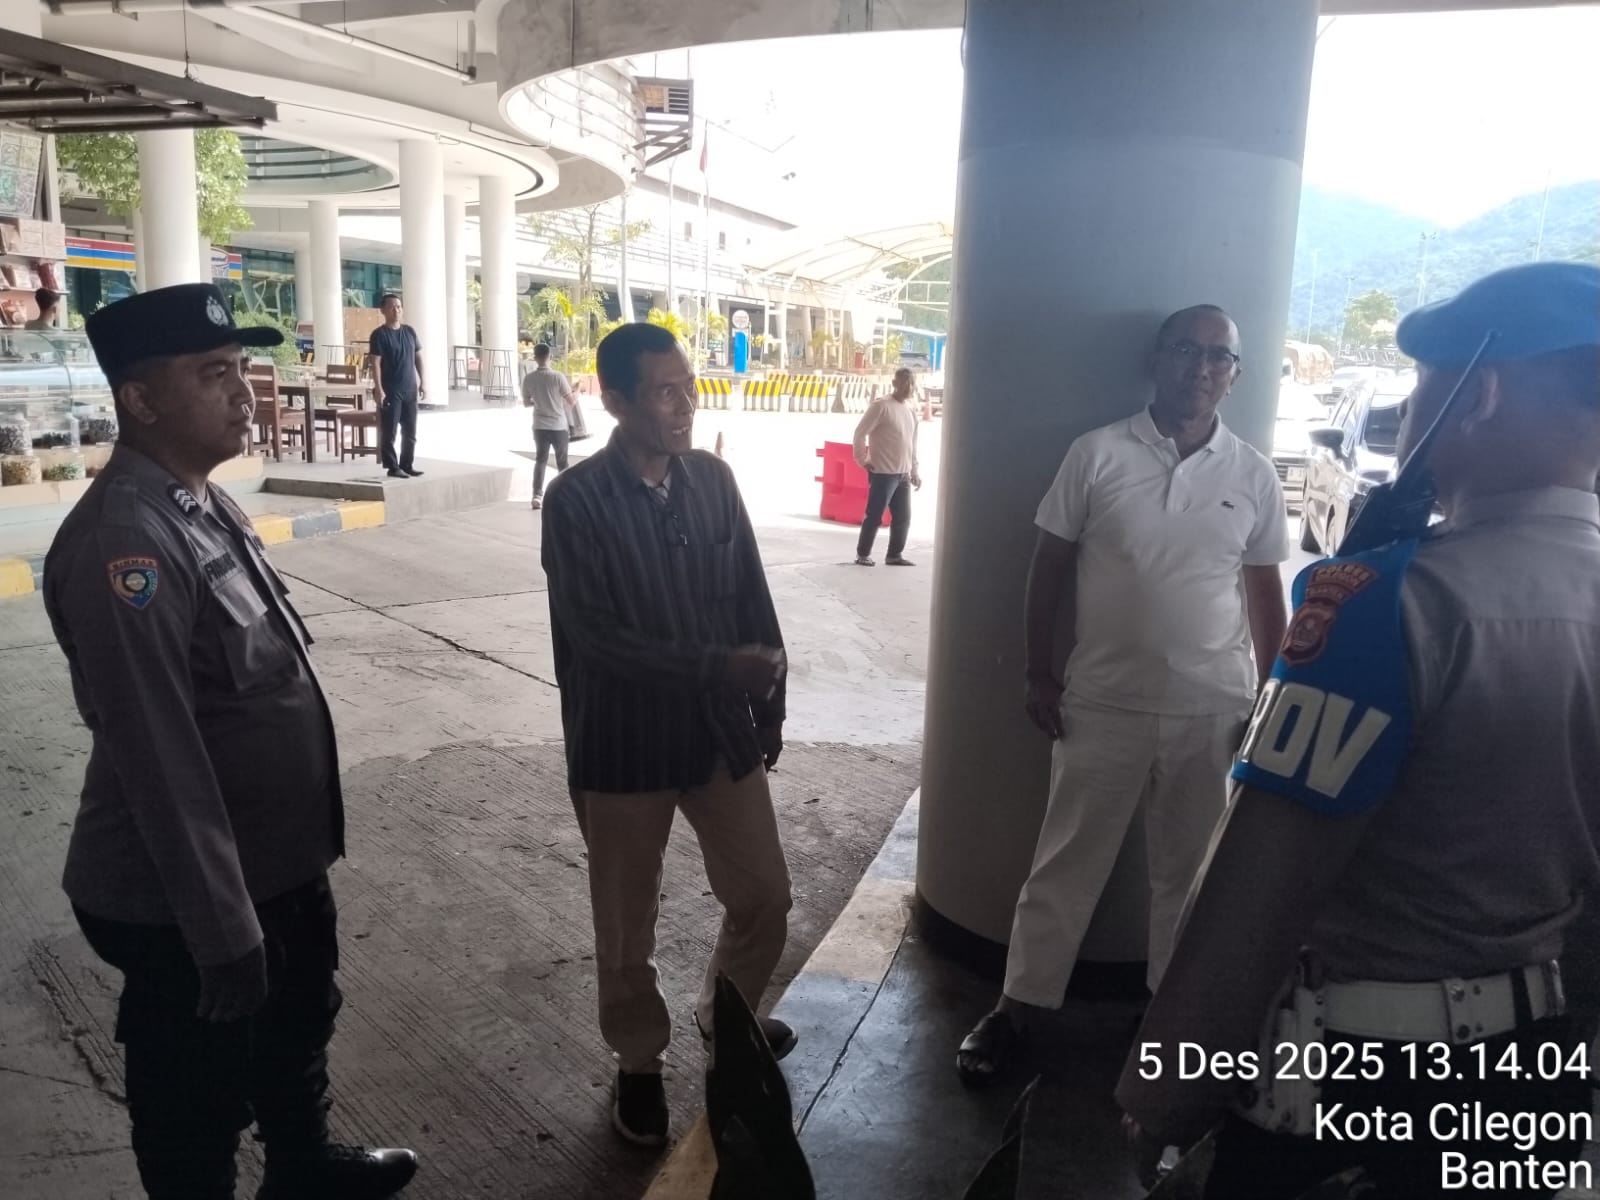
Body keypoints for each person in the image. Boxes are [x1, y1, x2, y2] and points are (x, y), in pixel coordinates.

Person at [1117, 262, 1600, 1200]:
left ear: (1479, 396)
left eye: (1421, 393)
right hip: (1533, 1070)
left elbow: (1262, 879)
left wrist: (1171, 1086)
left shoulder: (1384, 605)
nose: (1411, 416)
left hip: (1350, 1085)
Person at [44, 283, 418, 1200]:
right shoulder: (127, 540)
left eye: (240, 367)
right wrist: (220, 929)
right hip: (186, 895)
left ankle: (302, 1168)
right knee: (193, 1094)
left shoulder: (200, 503)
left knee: (295, 1023)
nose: (243, 391)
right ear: (140, 399)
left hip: (272, 862)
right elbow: (159, 757)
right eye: (213, 373)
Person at [957, 304, 1289, 1085]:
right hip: (1102, 700)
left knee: (1188, 876)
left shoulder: (1253, 474)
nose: (1201, 367)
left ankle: (1168, 1021)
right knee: (1065, 863)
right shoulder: (1097, 454)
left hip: (1214, 706)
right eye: (1186, 350)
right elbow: (1048, 566)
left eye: (1218, 357)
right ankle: (1016, 1010)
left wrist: (1272, 702)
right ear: (1158, 359)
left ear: (1235, 376)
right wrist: (1039, 671)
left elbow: (1265, 595)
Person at [540, 322, 796, 1149]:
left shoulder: (713, 480)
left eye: (690, 386)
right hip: (622, 746)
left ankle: (726, 1015)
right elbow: (598, 641)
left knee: (764, 896)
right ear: (615, 401)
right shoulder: (576, 502)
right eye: (664, 391)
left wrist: (770, 704)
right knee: (627, 925)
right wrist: (722, 667)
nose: (685, 405)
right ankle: (640, 1062)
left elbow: (751, 593)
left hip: (717, 734)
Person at [852, 366, 922, 566]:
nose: (909, 387)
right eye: (904, 382)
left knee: (903, 518)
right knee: (874, 516)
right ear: (894, 384)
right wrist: (862, 459)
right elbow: (860, 433)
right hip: (883, 473)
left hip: (903, 475)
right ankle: (863, 554)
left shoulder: (910, 411)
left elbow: (912, 444)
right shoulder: (881, 406)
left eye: (911, 383)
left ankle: (894, 555)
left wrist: (914, 470)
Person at [369, 293, 425, 479]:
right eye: (392, 307)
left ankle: (407, 464)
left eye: (399, 307)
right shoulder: (379, 335)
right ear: (383, 310)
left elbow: (418, 357)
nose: (396, 310)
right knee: (389, 431)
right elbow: (375, 362)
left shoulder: (410, 332)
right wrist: (379, 388)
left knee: (410, 432)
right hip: (390, 390)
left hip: (410, 389)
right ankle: (392, 467)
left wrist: (423, 382)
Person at [522, 341, 575, 509]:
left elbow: (526, 403)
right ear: (549, 357)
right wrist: (577, 391)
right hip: (558, 426)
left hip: (539, 426)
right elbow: (571, 401)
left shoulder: (529, 378)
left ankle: (537, 496)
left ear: (535, 357)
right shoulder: (558, 377)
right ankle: (566, 495)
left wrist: (540, 402)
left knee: (540, 460)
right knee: (562, 462)